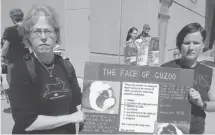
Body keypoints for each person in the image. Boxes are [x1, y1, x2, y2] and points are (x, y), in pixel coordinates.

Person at [7, 5, 85, 134]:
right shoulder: (20, 69)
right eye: (37, 31)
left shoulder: (66, 66)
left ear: (56, 36)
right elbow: (26, 122)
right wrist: (70, 118)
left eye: (48, 31)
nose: (43, 37)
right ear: (28, 37)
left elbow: (76, 104)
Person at [161, 23, 215, 134]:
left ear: (203, 45)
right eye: (186, 43)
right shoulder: (166, 68)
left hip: (196, 131)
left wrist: (201, 103)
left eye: (196, 43)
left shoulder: (207, 72)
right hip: (168, 130)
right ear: (180, 45)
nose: (191, 48)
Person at [1, 9, 29, 84]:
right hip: (26, 60)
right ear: (22, 17)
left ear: (12, 18)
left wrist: (3, 57)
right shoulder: (28, 30)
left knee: (12, 83)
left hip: (13, 61)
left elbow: (5, 46)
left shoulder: (9, 30)